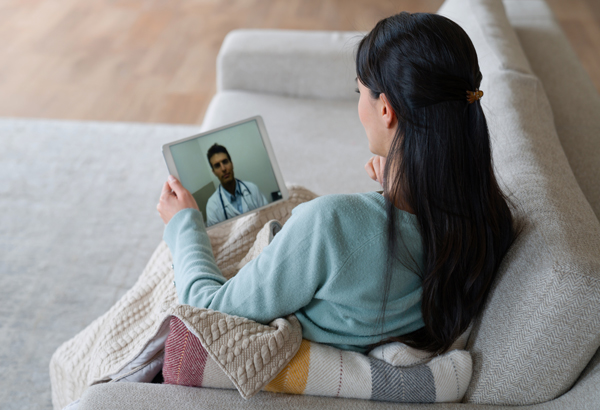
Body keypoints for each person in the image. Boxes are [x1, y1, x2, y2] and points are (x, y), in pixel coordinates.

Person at [157, 12, 515, 354]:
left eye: (359, 92)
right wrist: (401, 188)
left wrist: (183, 225)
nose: (359, 103)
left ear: (386, 109)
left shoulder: (330, 224)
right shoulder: (489, 220)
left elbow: (207, 311)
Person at [204, 143, 269, 226]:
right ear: (214, 172)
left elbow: (268, 215)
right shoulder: (212, 206)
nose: (223, 168)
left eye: (225, 162)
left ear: (232, 163)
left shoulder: (252, 189)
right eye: (217, 166)